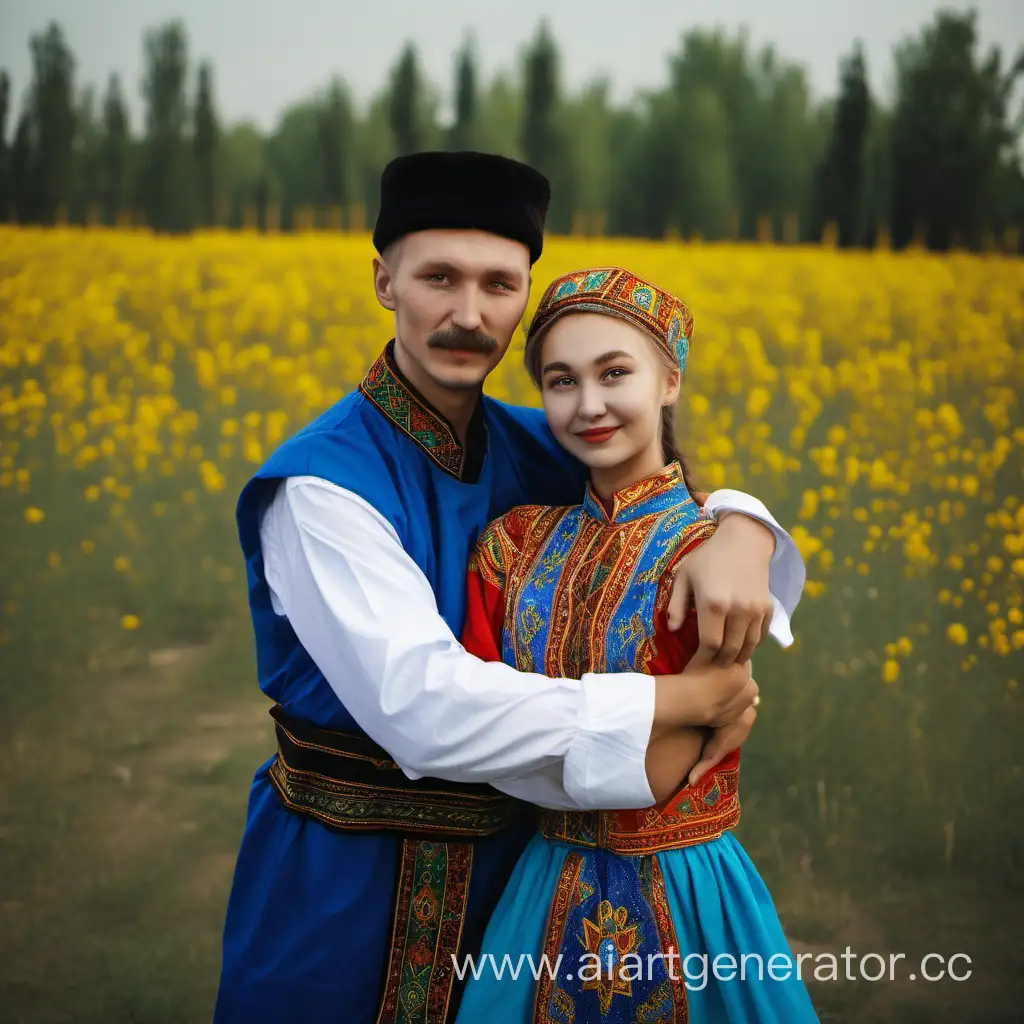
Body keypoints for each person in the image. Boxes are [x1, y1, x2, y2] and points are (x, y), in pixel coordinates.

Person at [213, 152, 805, 1024]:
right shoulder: (321, 487)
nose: (467, 314)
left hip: (514, 885)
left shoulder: (542, 442)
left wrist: (742, 527)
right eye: (438, 278)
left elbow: (648, 490)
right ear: (384, 281)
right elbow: (422, 708)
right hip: (344, 882)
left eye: (498, 283)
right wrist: (676, 701)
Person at [454, 266, 817, 1023]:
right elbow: (470, 719)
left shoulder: (710, 554)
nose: (588, 405)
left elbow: (657, 774)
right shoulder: (512, 547)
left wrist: (740, 527)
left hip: (687, 889)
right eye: (560, 381)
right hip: (542, 883)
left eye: (615, 372)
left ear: (669, 381)